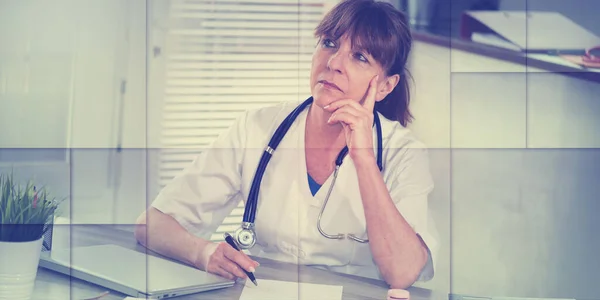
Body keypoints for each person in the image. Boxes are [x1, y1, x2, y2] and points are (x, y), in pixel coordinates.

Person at [135, 0, 438, 289]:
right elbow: (152, 224)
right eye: (329, 43)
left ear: (385, 86)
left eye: (360, 57)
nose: (333, 63)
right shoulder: (257, 128)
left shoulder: (404, 154)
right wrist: (203, 253)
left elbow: (403, 273)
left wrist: (364, 160)